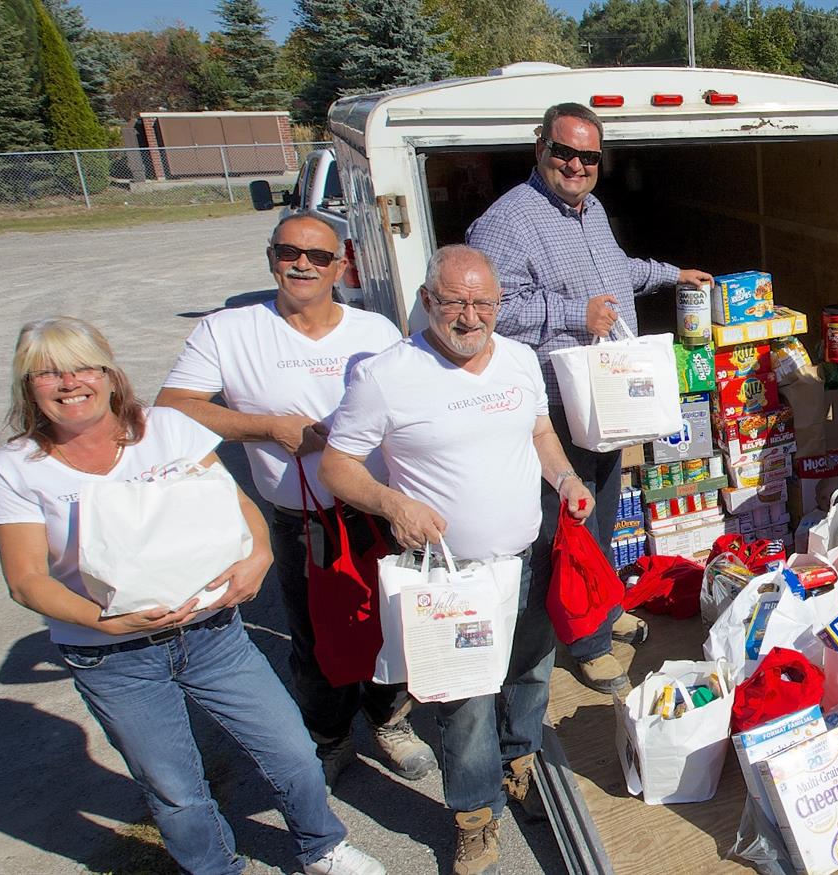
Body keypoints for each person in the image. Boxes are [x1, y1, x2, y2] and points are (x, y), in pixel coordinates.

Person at [0, 317, 385, 875]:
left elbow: (237, 506)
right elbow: (26, 580)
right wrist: (107, 622)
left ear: (110, 375)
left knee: (290, 752)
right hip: (115, 658)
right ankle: (216, 867)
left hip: (213, 634)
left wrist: (258, 558)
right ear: (28, 387)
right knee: (175, 787)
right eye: (48, 374)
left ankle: (322, 846)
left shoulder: (165, 428)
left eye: (82, 368)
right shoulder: (17, 469)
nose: (69, 383)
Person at [321, 246, 594, 874]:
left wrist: (566, 480)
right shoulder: (386, 375)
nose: (469, 317)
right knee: (465, 700)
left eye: (483, 304)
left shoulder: (521, 359)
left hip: (525, 557)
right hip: (451, 576)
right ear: (426, 302)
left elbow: (540, 433)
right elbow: (336, 466)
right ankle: (474, 815)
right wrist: (393, 504)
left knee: (529, 670)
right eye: (454, 302)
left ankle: (520, 761)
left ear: (499, 306)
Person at [156, 215, 427, 787]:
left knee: (390, 623)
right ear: (271, 256)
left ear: (341, 266)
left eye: (319, 256)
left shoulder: (375, 330)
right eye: (289, 252)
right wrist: (267, 428)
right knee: (316, 633)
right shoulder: (228, 330)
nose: (302, 264)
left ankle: (391, 720)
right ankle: (328, 737)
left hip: (375, 508)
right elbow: (173, 406)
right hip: (302, 517)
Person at [466, 102, 711, 699]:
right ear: (539, 149)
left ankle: (600, 610)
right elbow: (491, 312)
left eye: (589, 156)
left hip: (601, 405)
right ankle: (586, 644)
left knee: (602, 518)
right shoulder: (507, 222)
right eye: (564, 151)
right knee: (568, 533)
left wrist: (671, 273)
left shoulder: (590, 209)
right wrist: (577, 314)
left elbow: (614, 270)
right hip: (555, 410)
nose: (576, 164)